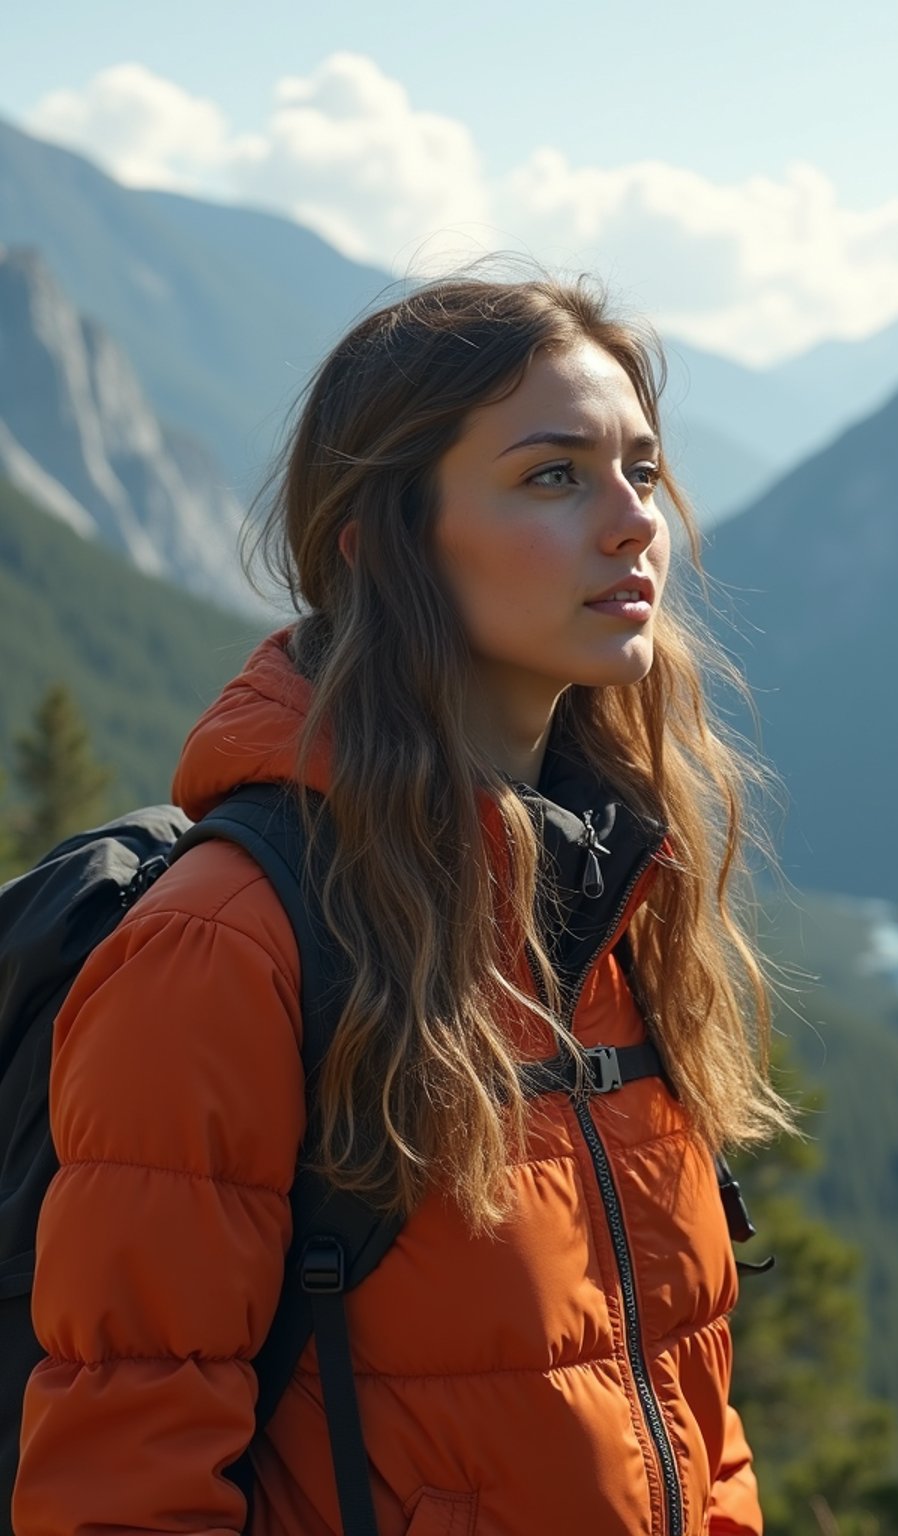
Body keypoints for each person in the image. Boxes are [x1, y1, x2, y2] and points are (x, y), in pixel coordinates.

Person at [14, 272, 794, 1536]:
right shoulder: (229, 948)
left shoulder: (615, 900)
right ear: (376, 541)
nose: (631, 523)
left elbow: (689, 1413)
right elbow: (121, 1482)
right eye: (553, 476)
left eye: (640, 473)